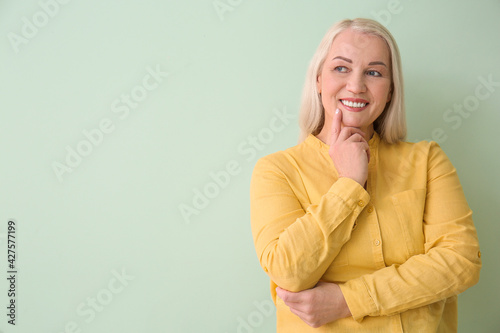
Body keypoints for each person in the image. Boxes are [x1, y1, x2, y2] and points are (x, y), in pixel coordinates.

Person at [250, 18, 481, 332]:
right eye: (341, 68)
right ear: (318, 80)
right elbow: (288, 272)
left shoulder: (427, 160)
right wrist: (348, 185)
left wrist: (347, 300)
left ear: (389, 92)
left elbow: (461, 263)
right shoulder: (276, 170)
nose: (356, 85)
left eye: (374, 72)